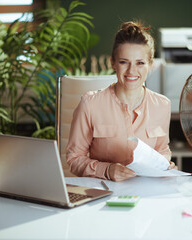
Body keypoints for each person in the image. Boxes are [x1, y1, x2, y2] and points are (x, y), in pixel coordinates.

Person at [66, 21, 175, 182]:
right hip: (104, 193)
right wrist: (107, 170)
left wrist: (166, 165)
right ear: (113, 63)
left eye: (140, 63)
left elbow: (162, 150)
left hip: (147, 192)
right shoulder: (90, 104)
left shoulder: (162, 105)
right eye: (124, 62)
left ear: (151, 65)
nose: (132, 71)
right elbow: (74, 159)